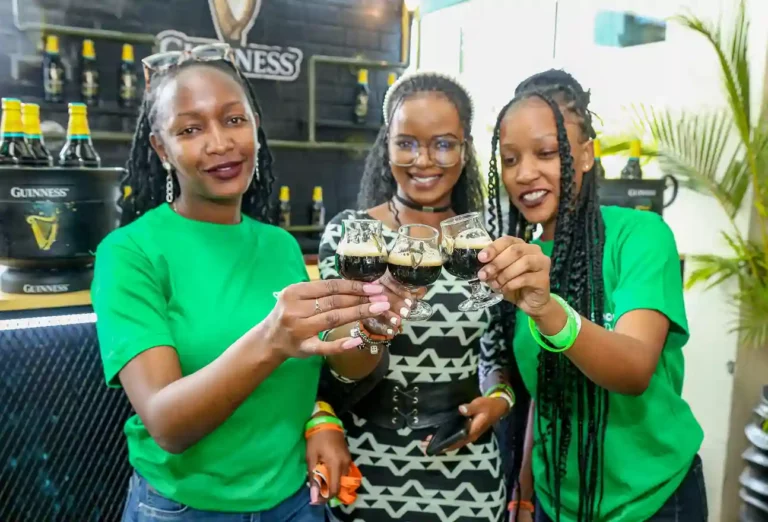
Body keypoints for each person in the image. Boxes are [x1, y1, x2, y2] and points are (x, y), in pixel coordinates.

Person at [91, 43, 393, 522]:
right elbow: (168, 423)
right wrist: (271, 340)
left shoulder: (280, 246)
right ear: (161, 148)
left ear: (255, 124)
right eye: (190, 129)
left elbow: (340, 370)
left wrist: (371, 325)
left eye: (234, 120)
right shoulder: (129, 253)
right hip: (186, 509)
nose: (219, 143)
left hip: (296, 502)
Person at [481, 69, 707, 522]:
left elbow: (634, 368)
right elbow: (542, 390)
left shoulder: (640, 237)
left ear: (585, 154)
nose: (525, 173)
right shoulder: (513, 257)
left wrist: (547, 310)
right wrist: (524, 489)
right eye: (509, 159)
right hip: (554, 502)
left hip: (652, 501)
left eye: (546, 153)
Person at [317, 71, 513, 522]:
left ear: (465, 150)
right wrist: (369, 328)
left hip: (466, 465)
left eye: (443, 144)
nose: (424, 160)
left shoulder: (484, 240)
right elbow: (326, 361)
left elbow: (499, 356)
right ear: (386, 147)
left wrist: (498, 401)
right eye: (406, 142)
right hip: (366, 462)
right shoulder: (351, 235)